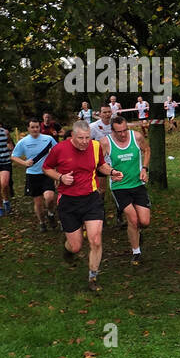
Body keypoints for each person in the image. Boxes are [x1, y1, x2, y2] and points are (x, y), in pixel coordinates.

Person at [43, 120, 120, 292]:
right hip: (68, 201)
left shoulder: (95, 146)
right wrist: (60, 178)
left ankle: (93, 277)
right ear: (72, 136)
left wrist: (112, 172)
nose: (85, 142)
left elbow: (101, 165)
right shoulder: (59, 149)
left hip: (91, 199)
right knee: (76, 246)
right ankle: (68, 249)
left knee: (95, 240)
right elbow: (46, 168)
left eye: (87, 137)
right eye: (81, 138)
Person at [106, 115, 151, 266]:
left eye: (125, 130)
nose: (123, 134)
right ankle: (136, 252)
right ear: (112, 131)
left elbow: (147, 150)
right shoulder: (106, 142)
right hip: (120, 187)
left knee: (144, 221)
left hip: (137, 185)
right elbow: (99, 164)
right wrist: (111, 172)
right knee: (132, 219)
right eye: (119, 132)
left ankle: (137, 232)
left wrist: (144, 169)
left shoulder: (136, 136)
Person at [11, 117, 58, 231]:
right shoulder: (23, 142)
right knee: (38, 203)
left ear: (40, 128)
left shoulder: (48, 139)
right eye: (32, 127)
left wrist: (56, 171)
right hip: (32, 175)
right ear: (28, 128)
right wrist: (24, 162)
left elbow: (58, 151)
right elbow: (13, 156)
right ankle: (42, 222)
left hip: (47, 173)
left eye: (37, 127)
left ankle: (51, 214)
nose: (35, 129)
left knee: (50, 197)